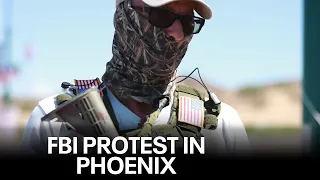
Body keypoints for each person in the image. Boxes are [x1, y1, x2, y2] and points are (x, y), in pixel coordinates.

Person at [20, 0, 250, 156]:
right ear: (125, 15)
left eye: (189, 22)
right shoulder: (55, 121)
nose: (178, 35)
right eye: (163, 15)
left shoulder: (220, 125)